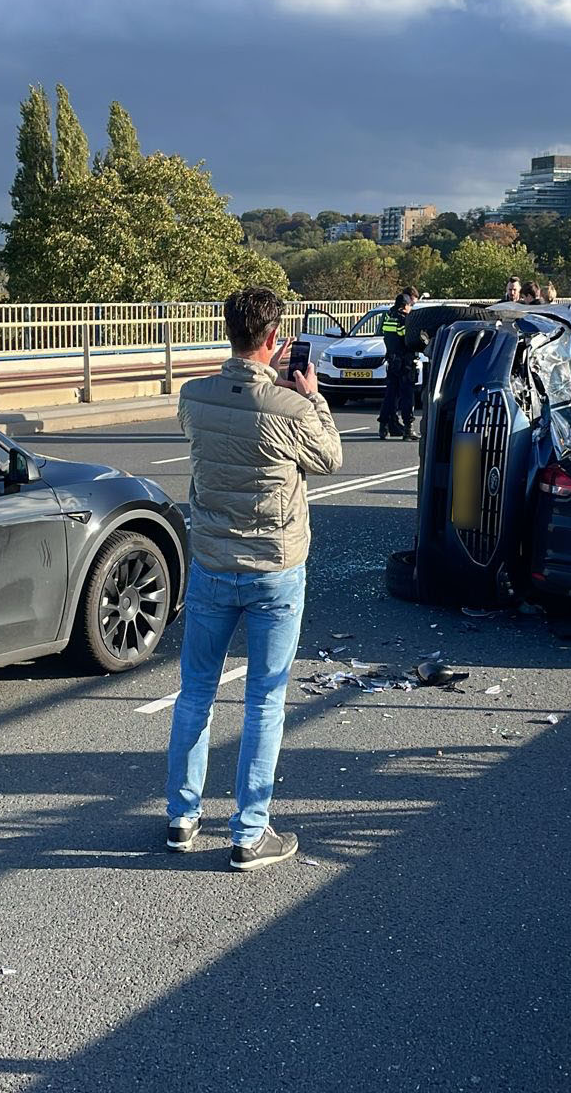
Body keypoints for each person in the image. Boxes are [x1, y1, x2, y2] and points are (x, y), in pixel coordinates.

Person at [170, 287, 344, 871]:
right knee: (264, 699)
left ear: (229, 331)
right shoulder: (290, 409)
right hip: (274, 566)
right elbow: (330, 460)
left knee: (195, 692)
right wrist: (312, 398)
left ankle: (181, 816)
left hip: (213, 563)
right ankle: (249, 832)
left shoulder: (193, 398)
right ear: (275, 339)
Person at [377, 291, 422, 440]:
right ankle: (408, 429)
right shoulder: (403, 320)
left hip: (392, 361)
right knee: (407, 396)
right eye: (410, 305)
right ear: (405, 306)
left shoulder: (389, 318)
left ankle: (383, 427)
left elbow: (389, 338)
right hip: (404, 363)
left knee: (390, 396)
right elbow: (409, 340)